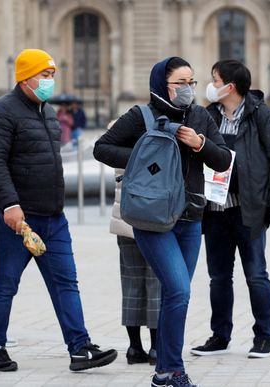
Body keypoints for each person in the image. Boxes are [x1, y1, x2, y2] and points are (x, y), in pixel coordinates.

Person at [94, 56, 232, 387]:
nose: (187, 90)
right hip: (152, 220)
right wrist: (146, 154)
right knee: (179, 288)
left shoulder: (200, 116)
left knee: (176, 295)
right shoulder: (142, 116)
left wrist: (199, 143)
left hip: (191, 217)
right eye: (179, 83)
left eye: (191, 83)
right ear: (161, 85)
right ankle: (173, 368)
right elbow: (102, 148)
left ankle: (165, 371)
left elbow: (224, 159)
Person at [0, 48, 117, 373]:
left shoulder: (49, 113)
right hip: (19, 218)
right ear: (25, 77)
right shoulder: (2, 111)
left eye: (52, 75)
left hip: (54, 217)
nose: (49, 81)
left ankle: (80, 348)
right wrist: (10, 205)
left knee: (66, 282)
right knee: (4, 284)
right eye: (44, 75)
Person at [189, 60, 270, 359]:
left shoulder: (263, 116)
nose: (210, 85)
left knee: (256, 275)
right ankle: (219, 336)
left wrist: (267, 200)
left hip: (247, 210)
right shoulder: (207, 116)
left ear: (229, 87)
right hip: (215, 210)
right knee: (218, 277)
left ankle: (263, 337)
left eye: (214, 79)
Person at [110, 165, 160, 366]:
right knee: (156, 283)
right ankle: (156, 347)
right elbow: (156, 169)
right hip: (153, 215)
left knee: (131, 282)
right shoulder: (155, 137)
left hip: (124, 215)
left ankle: (134, 347)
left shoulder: (118, 135)